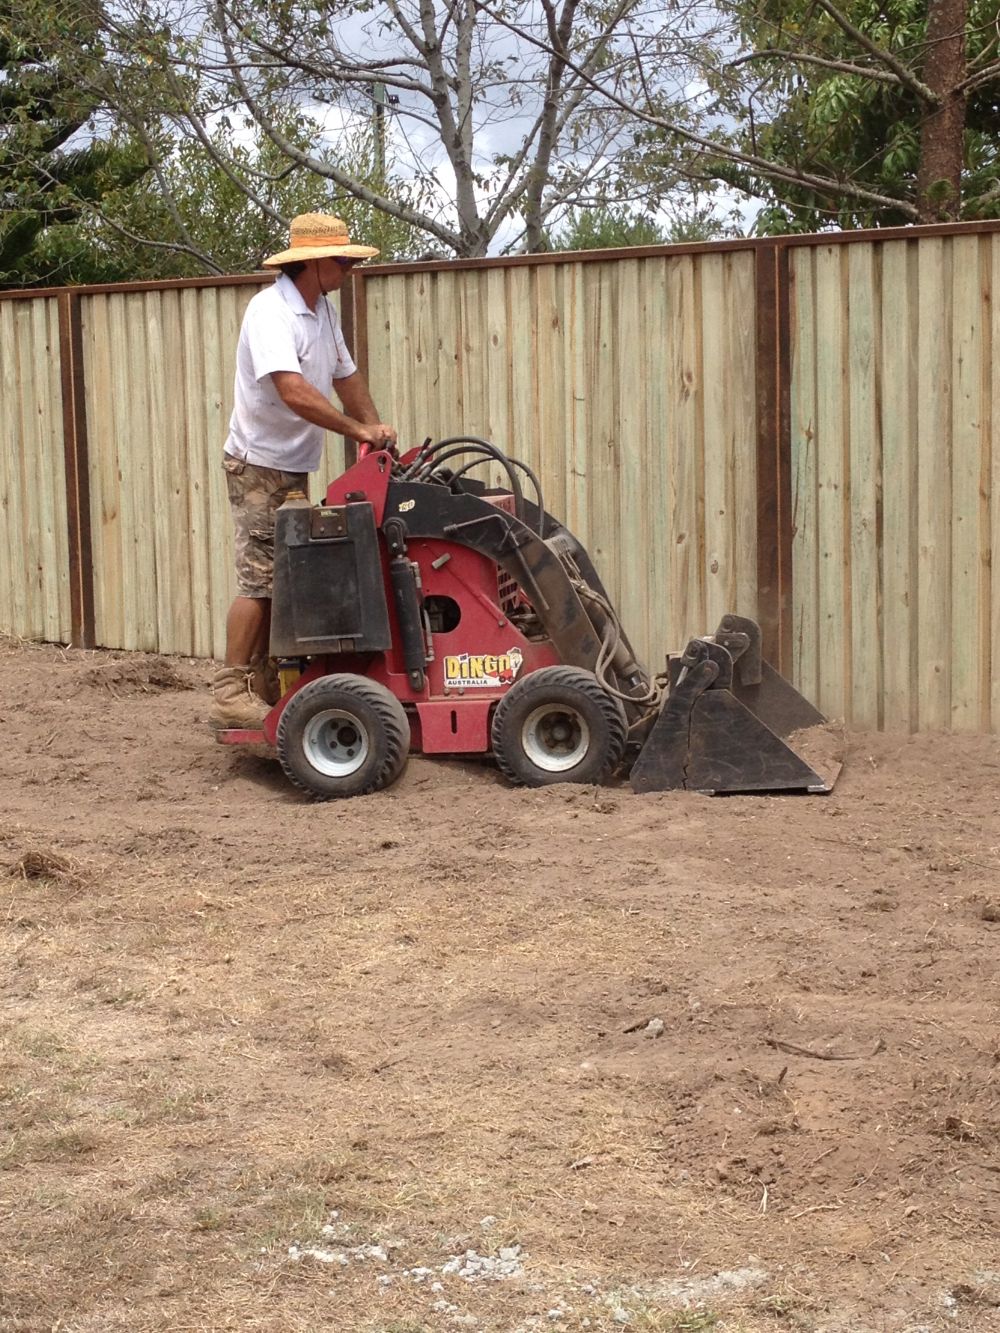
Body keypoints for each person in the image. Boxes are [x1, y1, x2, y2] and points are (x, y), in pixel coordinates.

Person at [209, 213, 398, 730]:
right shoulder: (269, 312)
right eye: (344, 259)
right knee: (260, 578)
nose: (351, 266)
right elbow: (292, 390)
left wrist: (373, 427)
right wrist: (354, 432)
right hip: (257, 464)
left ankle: (270, 684)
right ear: (314, 262)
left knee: (288, 578)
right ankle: (230, 689)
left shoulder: (323, 312)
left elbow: (346, 375)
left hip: (293, 465)